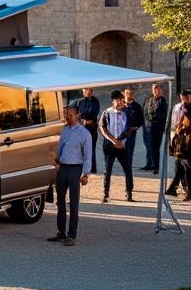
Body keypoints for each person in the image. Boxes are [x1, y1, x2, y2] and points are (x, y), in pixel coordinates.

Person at [49, 104, 91, 246]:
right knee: (60, 201)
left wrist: (85, 173)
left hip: (75, 169)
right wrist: (57, 159)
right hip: (63, 168)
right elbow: (60, 147)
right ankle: (61, 232)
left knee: (73, 203)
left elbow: (87, 155)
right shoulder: (65, 130)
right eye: (66, 114)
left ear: (77, 115)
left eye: (70, 115)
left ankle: (72, 235)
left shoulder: (84, 133)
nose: (67, 117)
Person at [99, 90, 135, 203]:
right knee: (108, 169)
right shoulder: (106, 113)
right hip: (109, 145)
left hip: (121, 145)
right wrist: (114, 140)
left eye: (121, 100)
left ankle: (129, 193)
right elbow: (102, 129)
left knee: (128, 169)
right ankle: (106, 194)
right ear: (113, 101)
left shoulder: (124, 114)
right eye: (118, 100)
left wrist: (121, 142)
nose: (120, 102)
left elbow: (128, 130)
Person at [168, 91, 191, 198]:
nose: (184, 99)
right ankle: (175, 188)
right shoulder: (178, 107)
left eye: (185, 97)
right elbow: (174, 122)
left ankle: (183, 190)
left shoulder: (187, 108)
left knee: (186, 167)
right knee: (180, 166)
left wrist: (183, 129)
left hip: (187, 142)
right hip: (178, 140)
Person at [142, 84, 167, 173]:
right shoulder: (149, 100)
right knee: (152, 148)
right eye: (154, 90)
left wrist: (154, 117)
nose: (156, 91)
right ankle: (154, 165)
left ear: (160, 91)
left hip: (158, 128)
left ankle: (158, 166)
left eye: (157, 90)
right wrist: (147, 122)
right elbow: (145, 112)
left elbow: (165, 114)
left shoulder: (162, 100)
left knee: (157, 148)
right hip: (150, 128)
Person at [75, 87, 101, 173]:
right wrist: (83, 120)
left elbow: (93, 112)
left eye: (90, 90)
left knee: (91, 149)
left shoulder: (95, 101)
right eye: (86, 90)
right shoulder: (80, 102)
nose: (88, 92)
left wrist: (84, 116)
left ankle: (92, 169)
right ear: (83, 91)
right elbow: (77, 114)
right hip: (82, 128)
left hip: (92, 128)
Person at [122, 86, 145, 169]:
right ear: (124, 93)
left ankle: (128, 167)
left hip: (131, 133)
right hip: (120, 132)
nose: (128, 95)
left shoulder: (137, 107)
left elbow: (141, 120)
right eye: (127, 93)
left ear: (133, 94)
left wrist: (135, 128)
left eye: (130, 93)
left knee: (130, 150)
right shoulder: (120, 105)